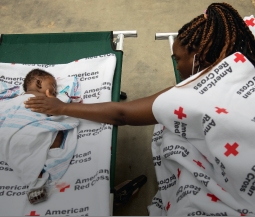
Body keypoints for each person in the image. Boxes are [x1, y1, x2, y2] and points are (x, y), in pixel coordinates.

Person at [24, 3, 255, 215]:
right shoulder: (245, 55)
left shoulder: (187, 99)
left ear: (199, 58)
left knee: (170, 138)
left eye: (178, 59)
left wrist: (63, 107)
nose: (176, 65)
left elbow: (121, 114)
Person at [23, 68, 64, 149]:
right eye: (53, 86)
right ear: (39, 83)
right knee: (60, 132)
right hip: (34, 133)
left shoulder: (17, 98)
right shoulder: (44, 99)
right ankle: (52, 150)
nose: (55, 91)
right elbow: (57, 114)